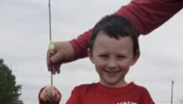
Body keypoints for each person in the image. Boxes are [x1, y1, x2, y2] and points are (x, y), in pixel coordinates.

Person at [47, 0, 183, 74]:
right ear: (91, 56)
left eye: (121, 57)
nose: (112, 65)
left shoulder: (142, 99)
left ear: (135, 57)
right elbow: (137, 15)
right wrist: (75, 46)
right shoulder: (80, 95)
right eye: (104, 56)